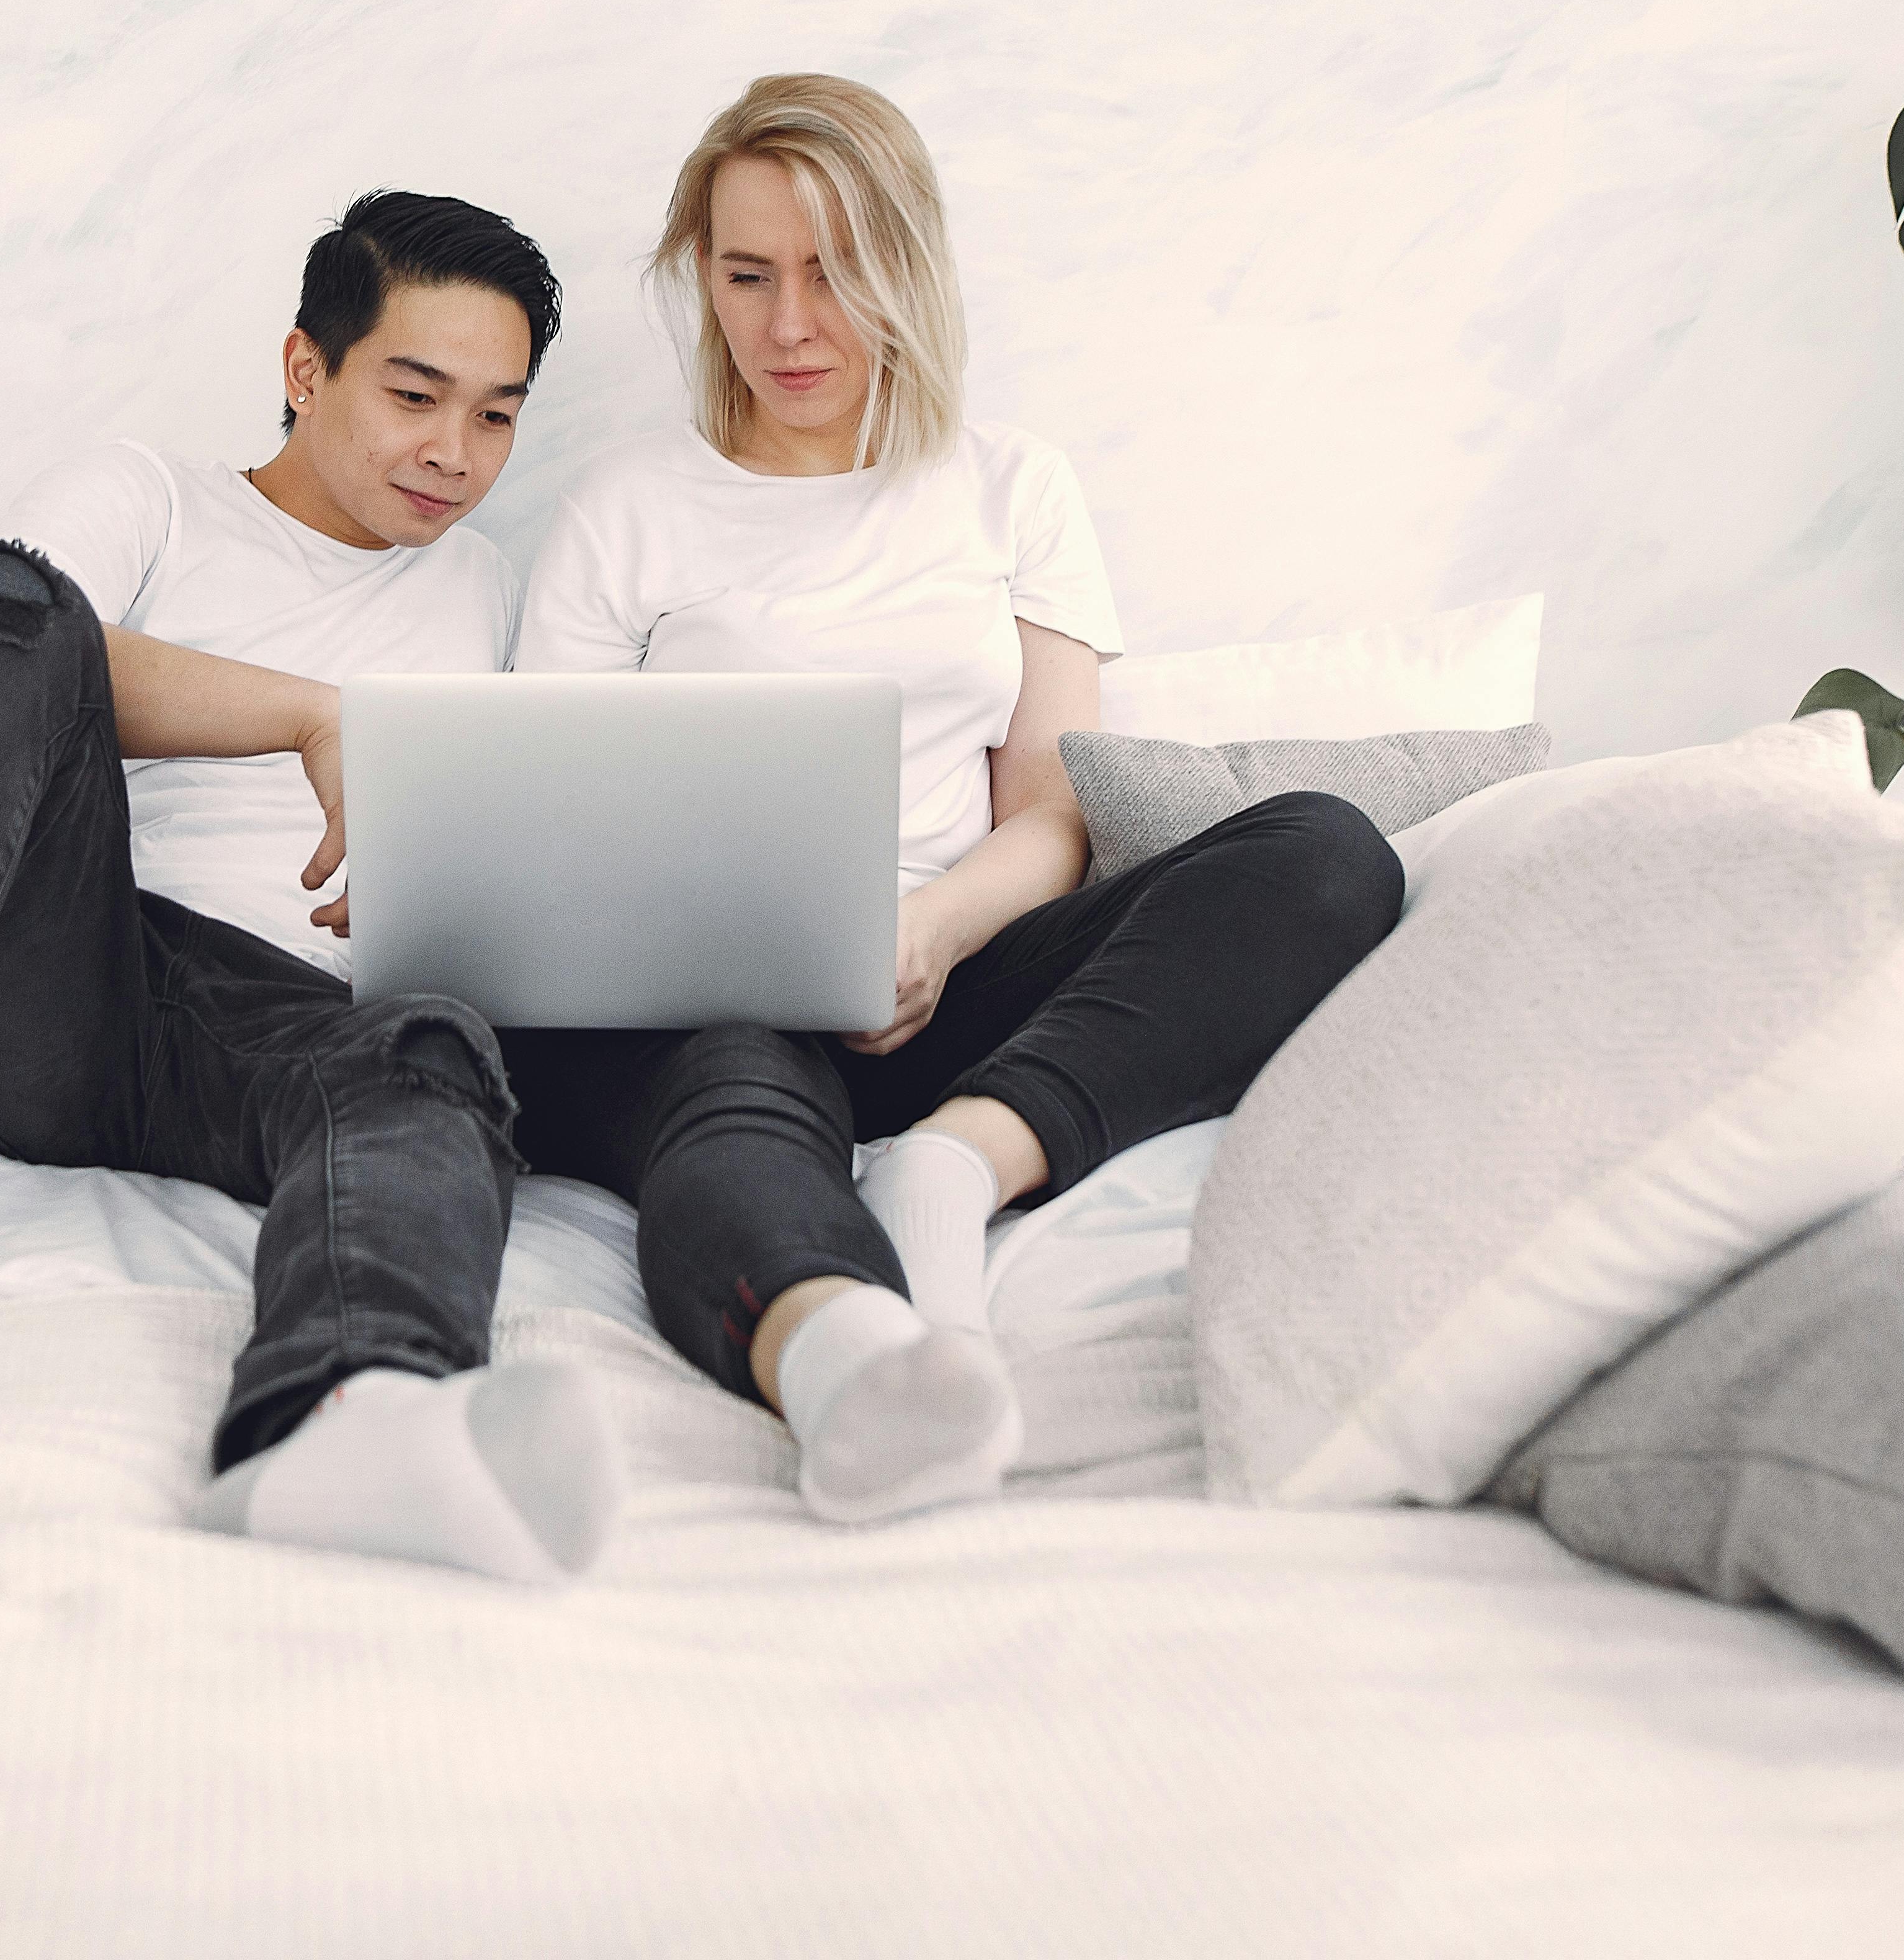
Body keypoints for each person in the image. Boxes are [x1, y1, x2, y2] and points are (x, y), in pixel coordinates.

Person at [0, 190, 623, 1586]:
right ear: (306, 368)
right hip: (76, 976)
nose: (454, 452)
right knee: (10, 597)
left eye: (497, 415)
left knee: (436, 1049)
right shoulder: (151, 495)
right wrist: (315, 713)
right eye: (415, 391)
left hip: (288, 1030)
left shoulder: (494, 586)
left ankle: (348, 1417)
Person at [509, 77, 1404, 1522]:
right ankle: (851, 1360)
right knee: (727, 1102)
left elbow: (1057, 814)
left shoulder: (1011, 487)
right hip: (711, 997)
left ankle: (954, 1165)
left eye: (836, 272)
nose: (790, 323)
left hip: (956, 971)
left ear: (906, 269)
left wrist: (924, 929)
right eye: (747, 274)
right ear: (701, 278)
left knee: (1325, 850)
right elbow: (555, 824)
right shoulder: (627, 508)